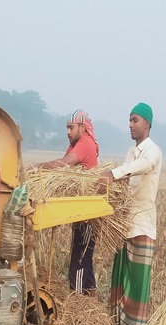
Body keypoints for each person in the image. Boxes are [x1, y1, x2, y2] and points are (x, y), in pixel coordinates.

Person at [99, 102, 162, 325]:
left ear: (147, 123)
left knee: (137, 283)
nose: (131, 125)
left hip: (142, 225)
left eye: (135, 120)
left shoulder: (152, 151)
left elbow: (141, 167)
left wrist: (113, 174)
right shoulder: (130, 151)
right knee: (121, 277)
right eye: (129, 120)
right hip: (125, 225)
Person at [36, 110, 100, 295]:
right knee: (83, 254)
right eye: (67, 128)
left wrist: (37, 168)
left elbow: (64, 164)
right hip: (79, 209)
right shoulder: (75, 144)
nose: (68, 132)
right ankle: (90, 296)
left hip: (88, 212)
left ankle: (77, 300)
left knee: (79, 259)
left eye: (71, 127)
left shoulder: (85, 142)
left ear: (82, 127)